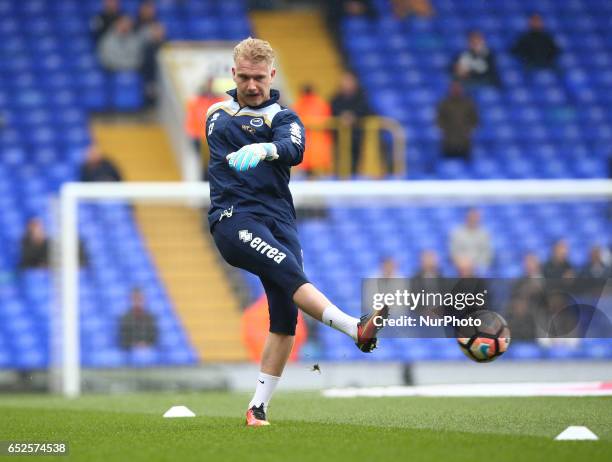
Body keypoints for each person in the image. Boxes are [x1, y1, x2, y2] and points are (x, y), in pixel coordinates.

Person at [205, 37, 388, 426]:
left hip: (280, 221)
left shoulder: (286, 118)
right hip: (235, 219)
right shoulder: (217, 115)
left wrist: (268, 150)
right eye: (244, 77)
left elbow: (294, 148)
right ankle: (355, 327)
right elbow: (234, 136)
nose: (252, 85)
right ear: (233, 74)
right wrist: (266, 143)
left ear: (272, 75)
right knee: (291, 274)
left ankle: (258, 407)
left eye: (259, 78)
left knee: (286, 317)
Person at [331, 72, 371, 175]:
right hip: (339, 138)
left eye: (349, 81)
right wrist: (341, 117)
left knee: (355, 162)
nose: (347, 83)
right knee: (340, 162)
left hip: (356, 137)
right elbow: (331, 110)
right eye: (345, 81)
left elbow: (366, 111)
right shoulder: (336, 99)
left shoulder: (361, 98)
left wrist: (354, 116)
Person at [185, 78, 224, 179]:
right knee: (205, 166)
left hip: (213, 138)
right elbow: (191, 120)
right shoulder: (196, 101)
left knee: (214, 165)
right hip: (200, 138)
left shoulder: (219, 101)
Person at [292, 84, 333, 177]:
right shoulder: (322, 104)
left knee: (303, 177)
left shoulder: (298, 104)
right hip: (319, 146)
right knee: (319, 176)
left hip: (303, 146)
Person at [436, 80, 479, 160]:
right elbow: (439, 120)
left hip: (464, 141)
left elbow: (475, 119)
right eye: (454, 88)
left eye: (458, 88)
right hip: (448, 141)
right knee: (449, 165)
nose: (456, 90)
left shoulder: (468, 103)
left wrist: (469, 130)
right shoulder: (444, 103)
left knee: (466, 165)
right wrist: (443, 130)